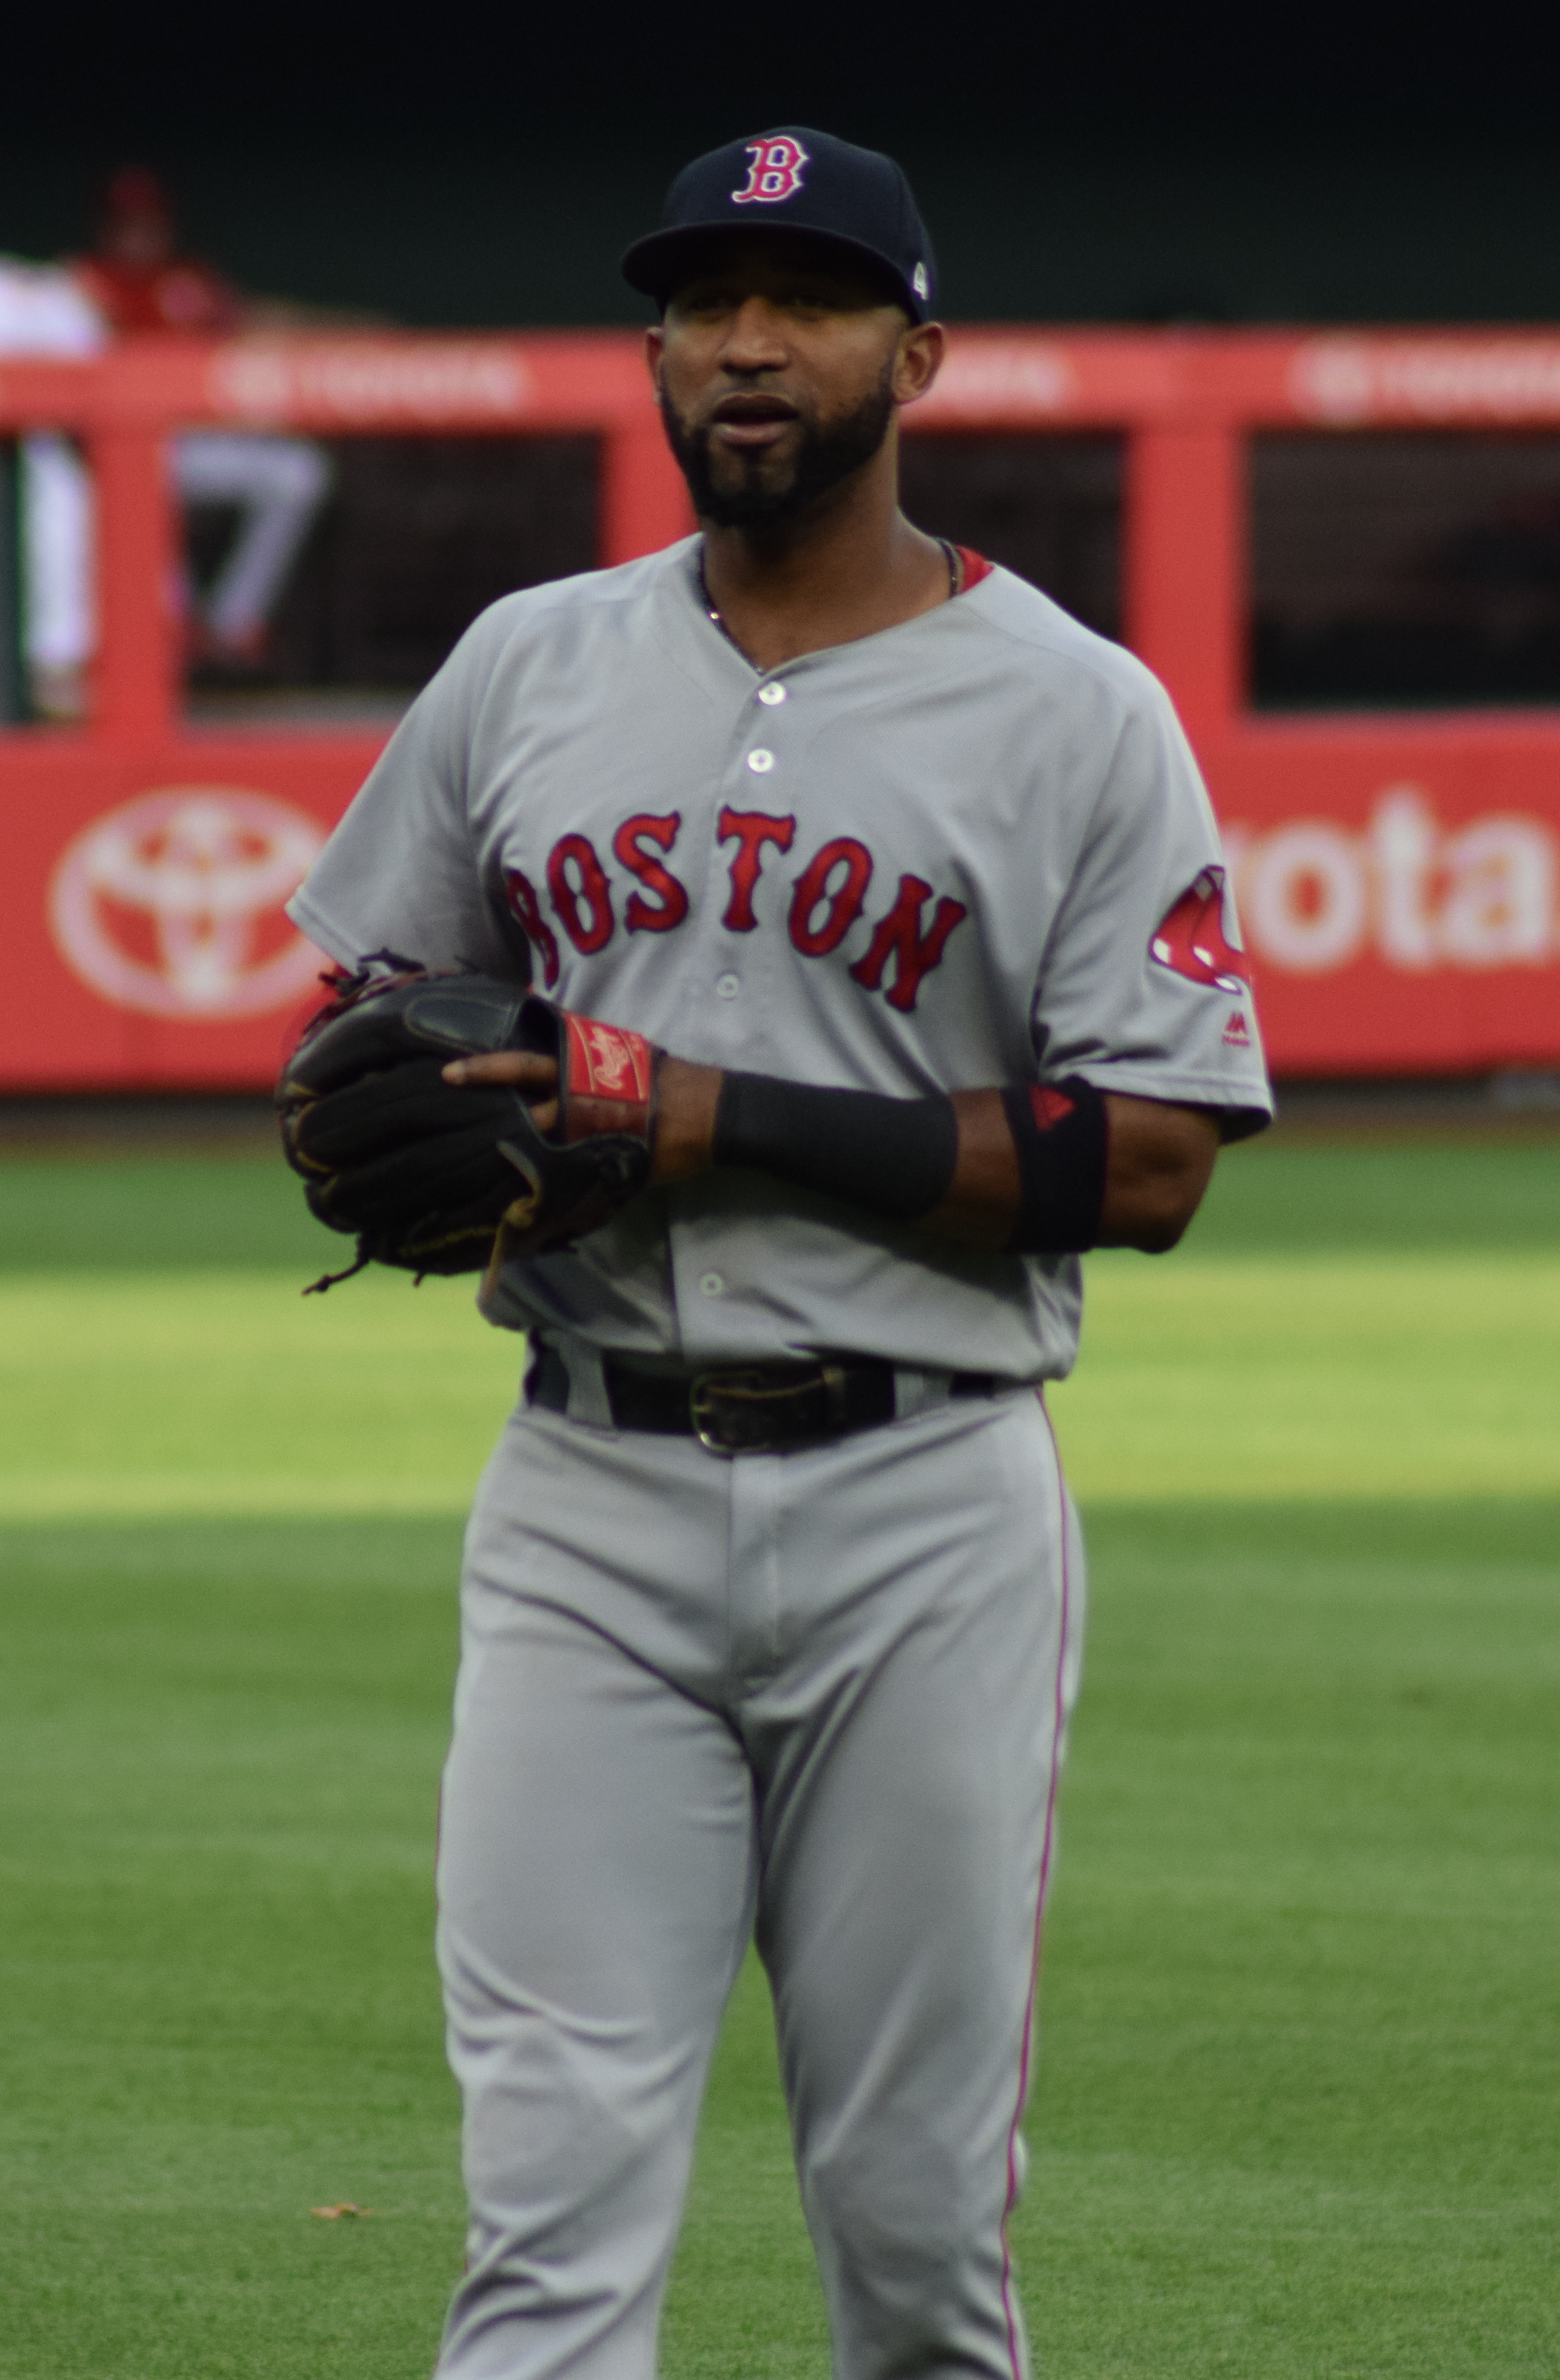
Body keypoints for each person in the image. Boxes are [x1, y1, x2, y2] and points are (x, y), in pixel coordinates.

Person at [284, 125, 1273, 2380]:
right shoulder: (527, 663)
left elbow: (1147, 1159)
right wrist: (374, 1101)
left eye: (811, 296)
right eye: (706, 299)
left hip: (921, 1503)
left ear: (914, 351)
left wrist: (702, 1116)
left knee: (916, 2238)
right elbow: (370, 1007)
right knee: (544, 2233)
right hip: (585, 1498)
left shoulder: (1077, 710)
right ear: (653, 349)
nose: (749, 340)